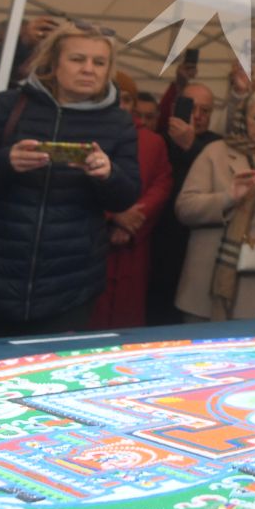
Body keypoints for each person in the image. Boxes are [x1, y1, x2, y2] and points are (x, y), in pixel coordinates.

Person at [0, 21, 140, 338]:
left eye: (99, 62)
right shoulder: (7, 105)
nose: (89, 69)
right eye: (77, 59)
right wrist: (5, 161)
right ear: (53, 62)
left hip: (70, 288)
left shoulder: (119, 122)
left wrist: (109, 174)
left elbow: (127, 195)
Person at [174, 88, 255, 320]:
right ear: (244, 117)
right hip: (209, 277)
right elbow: (185, 208)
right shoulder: (215, 152)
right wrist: (228, 198)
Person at [90, 71, 174, 329]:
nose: (121, 105)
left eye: (127, 99)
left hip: (133, 246)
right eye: (115, 97)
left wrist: (131, 221)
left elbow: (162, 184)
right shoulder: (89, 134)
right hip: (92, 241)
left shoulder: (152, 141)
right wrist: (113, 216)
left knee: (127, 320)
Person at [146, 78, 220, 325]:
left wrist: (191, 145)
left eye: (205, 111)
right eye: (192, 108)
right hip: (158, 245)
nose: (197, 116)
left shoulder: (217, 146)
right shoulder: (157, 141)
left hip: (199, 248)